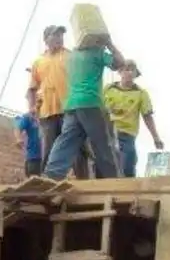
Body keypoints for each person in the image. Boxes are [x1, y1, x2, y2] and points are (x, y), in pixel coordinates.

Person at [42, 36, 126, 181]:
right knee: (102, 143)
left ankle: (52, 175)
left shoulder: (73, 55)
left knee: (67, 141)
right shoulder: (97, 52)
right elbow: (120, 64)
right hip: (91, 103)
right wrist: (109, 44)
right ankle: (113, 180)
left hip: (72, 104)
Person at [27, 25, 91, 178]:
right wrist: (31, 107)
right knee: (49, 148)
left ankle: (84, 181)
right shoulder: (38, 62)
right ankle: (46, 183)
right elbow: (32, 88)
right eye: (55, 35)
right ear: (46, 39)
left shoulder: (71, 56)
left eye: (61, 35)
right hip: (47, 112)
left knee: (77, 148)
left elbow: (83, 80)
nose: (59, 38)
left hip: (70, 110)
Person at [103, 60, 164, 178]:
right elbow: (98, 108)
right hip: (108, 133)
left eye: (132, 70)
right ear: (120, 72)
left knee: (128, 163)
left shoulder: (141, 93)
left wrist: (156, 138)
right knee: (105, 165)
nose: (129, 72)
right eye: (126, 69)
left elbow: (147, 116)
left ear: (136, 74)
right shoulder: (108, 89)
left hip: (127, 134)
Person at [14, 110, 42, 176]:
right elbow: (18, 128)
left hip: (48, 157)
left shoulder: (50, 115)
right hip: (33, 156)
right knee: (33, 178)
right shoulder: (28, 117)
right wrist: (18, 139)